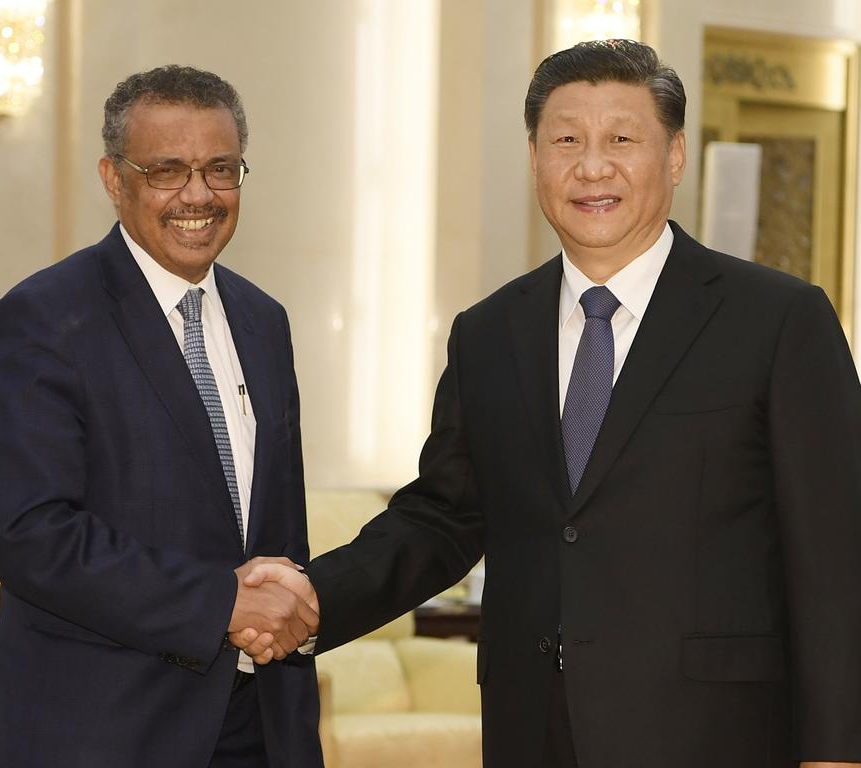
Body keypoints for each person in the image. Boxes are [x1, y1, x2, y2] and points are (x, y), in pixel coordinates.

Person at [240, 40, 861, 768]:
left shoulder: (779, 320)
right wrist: (314, 597)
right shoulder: (489, 332)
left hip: (714, 734)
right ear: (535, 159)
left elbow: (836, 559)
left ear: (675, 156)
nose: (592, 166)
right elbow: (442, 516)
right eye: (566, 140)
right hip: (532, 728)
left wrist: (837, 752)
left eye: (622, 140)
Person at [0, 65, 322, 768]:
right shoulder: (43, 319)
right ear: (113, 178)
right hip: (94, 732)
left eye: (221, 169)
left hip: (255, 728)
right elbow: (33, 535)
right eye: (166, 170)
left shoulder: (263, 320)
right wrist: (220, 604)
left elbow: (280, 534)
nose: (197, 195)